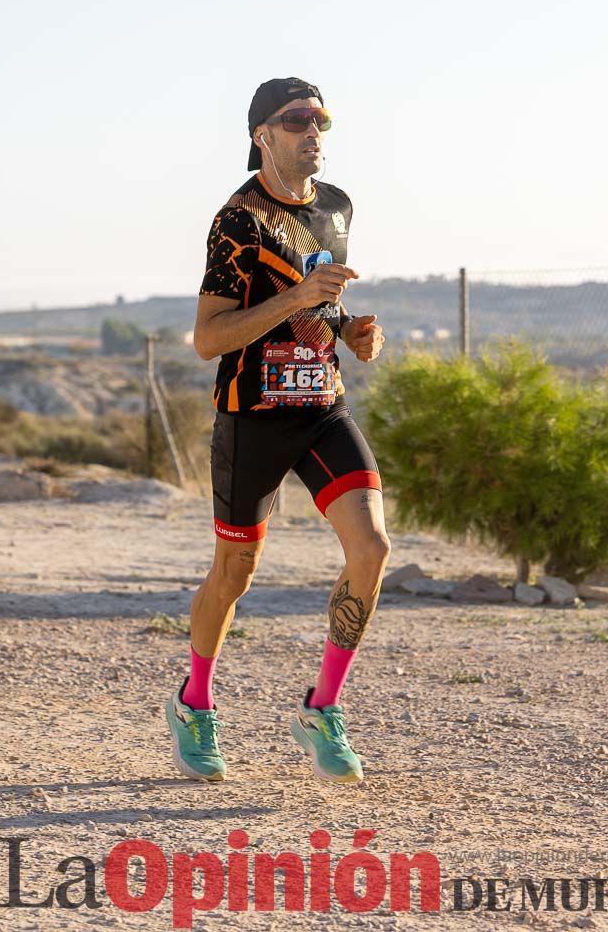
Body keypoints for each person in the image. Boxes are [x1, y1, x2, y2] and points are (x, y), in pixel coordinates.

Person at [166, 77, 389, 785]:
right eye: (297, 120)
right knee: (235, 574)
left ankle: (322, 709)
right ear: (263, 133)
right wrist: (297, 297)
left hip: (323, 407)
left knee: (373, 547)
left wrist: (350, 331)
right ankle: (194, 704)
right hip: (252, 416)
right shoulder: (238, 221)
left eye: (320, 118)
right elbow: (208, 338)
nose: (313, 131)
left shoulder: (337, 206)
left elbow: (318, 305)